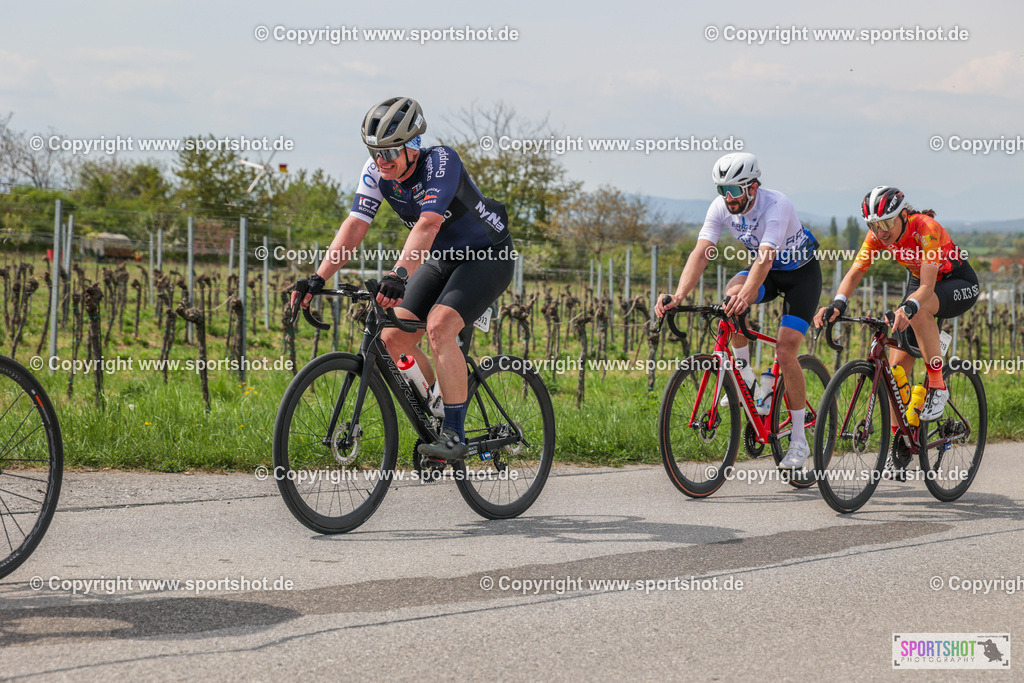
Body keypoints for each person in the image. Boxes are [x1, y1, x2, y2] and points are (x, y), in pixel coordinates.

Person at [292, 97, 515, 461]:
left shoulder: (441, 162)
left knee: (439, 326)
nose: (382, 162)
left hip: (488, 256)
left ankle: (455, 436)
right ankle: (440, 407)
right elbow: (355, 225)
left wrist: (398, 274)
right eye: (374, 152)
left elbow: (428, 224)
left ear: (412, 146)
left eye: (390, 152)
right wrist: (317, 277)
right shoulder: (378, 171)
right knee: (392, 339)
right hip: (443, 257)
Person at [656, 152, 822, 469]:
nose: (727, 198)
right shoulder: (721, 207)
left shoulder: (776, 205)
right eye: (722, 190)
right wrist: (678, 295)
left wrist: (746, 296)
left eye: (733, 190)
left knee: (786, 350)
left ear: (752, 187)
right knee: (730, 298)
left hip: (801, 275)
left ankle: (799, 441)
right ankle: (745, 377)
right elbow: (701, 252)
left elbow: (765, 258)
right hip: (769, 273)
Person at [815, 186, 978, 471]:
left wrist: (909, 308)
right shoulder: (878, 235)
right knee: (895, 372)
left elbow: (928, 288)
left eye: (887, 223)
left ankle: (938, 386)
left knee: (919, 309)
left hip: (956, 281)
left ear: (903, 215)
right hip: (921, 282)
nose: (881, 232)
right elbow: (856, 271)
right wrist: (838, 304)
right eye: (874, 226)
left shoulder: (925, 227)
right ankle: (900, 443)